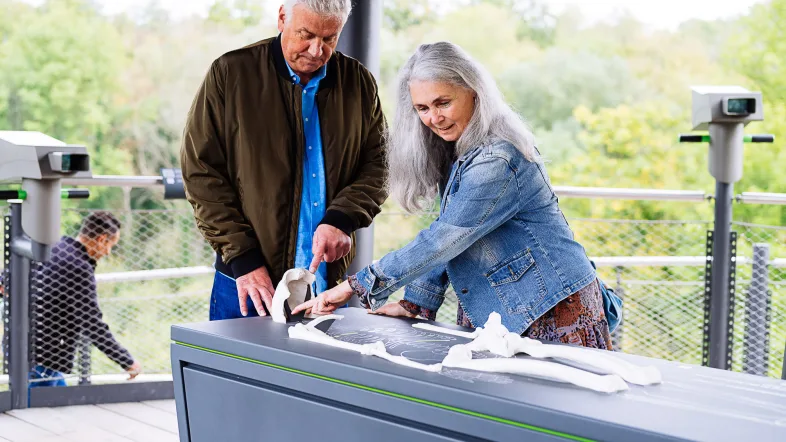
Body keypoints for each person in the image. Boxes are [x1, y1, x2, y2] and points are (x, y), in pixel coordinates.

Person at [293, 42, 613, 349]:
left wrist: (353, 285)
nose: (434, 118)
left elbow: (444, 239)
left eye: (443, 103)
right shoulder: (460, 151)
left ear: (474, 92)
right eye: (422, 108)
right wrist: (416, 303)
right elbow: (451, 235)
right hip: (504, 309)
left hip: (552, 308)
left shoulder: (498, 158)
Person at [181, 0, 387, 320]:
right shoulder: (230, 73)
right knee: (237, 371)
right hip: (248, 280)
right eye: (306, 34)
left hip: (326, 284)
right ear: (281, 18)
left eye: (329, 38)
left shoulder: (359, 82)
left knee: (320, 372)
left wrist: (343, 218)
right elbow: (201, 172)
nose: (317, 50)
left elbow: (380, 164)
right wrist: (244, 260)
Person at [27, 211, 142, 387]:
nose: (108, 253)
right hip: (44, 357)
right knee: (39, 409)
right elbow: (92, 324)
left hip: (28, 347)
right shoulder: (79, 267)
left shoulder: (56, 246)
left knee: (58, 403)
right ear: (102, 239)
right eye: (111, 245)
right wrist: (127, 361)